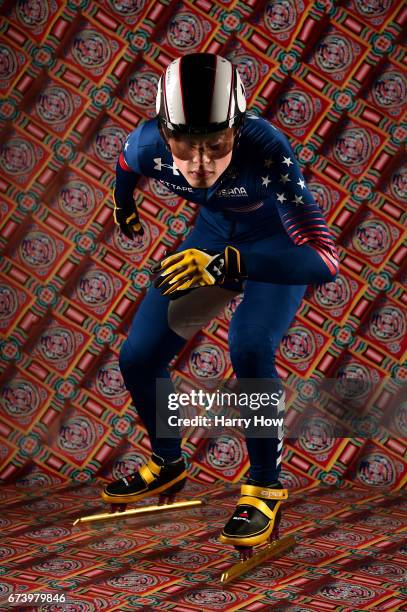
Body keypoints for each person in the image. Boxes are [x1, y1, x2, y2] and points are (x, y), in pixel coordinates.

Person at [101, 53, 339, 552]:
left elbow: (323, 260)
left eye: (217, 145)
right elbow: (124, 165)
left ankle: (265, 488)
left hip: (275, 247)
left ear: (239, 127)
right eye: (185, 146)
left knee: (249, 346)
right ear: (164, 134)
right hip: (210, 239)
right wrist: (123, 205)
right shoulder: (145, 144)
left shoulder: (268, 149)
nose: (201, 165)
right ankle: (168, 462)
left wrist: (232, 265)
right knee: (138, 357)